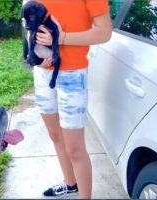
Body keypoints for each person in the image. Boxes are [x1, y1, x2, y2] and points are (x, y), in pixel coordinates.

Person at [31, 0, 112, 199]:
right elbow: (31, 25)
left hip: (72, 76)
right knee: (55, 135)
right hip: (42, 73)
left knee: (75, 148)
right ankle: (70, 184)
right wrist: (35, 57)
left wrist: (60, 38)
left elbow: (104, 32)